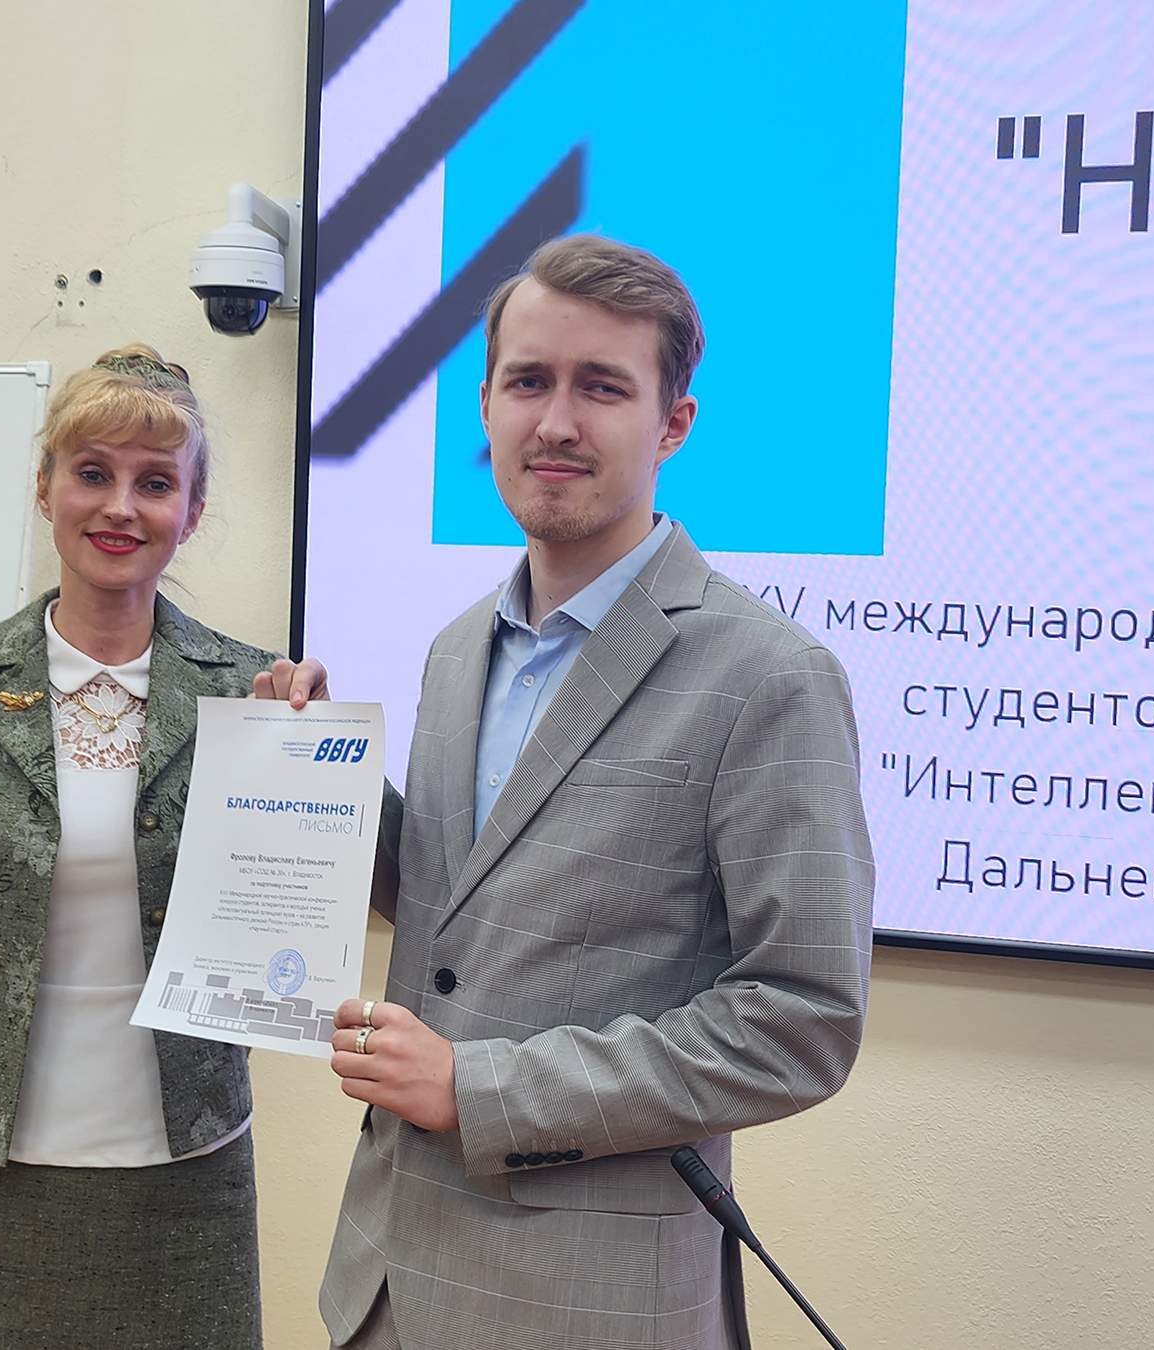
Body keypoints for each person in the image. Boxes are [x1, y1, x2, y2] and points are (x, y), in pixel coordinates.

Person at [318, 235, 876, 1350]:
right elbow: (458, 904)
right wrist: (310, 771)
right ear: (486, 405)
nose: (557, 423)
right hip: (388, 1279)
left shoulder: (770, 675)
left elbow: (802, 1021)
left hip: (592, 1305)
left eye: (603, 388)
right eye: (529, 381)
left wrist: (482, 1090)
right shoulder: (455, 647)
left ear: (673, 423)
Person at [0, 344, 327, 1350]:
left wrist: (315, 753)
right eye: (93, 472)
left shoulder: (252, 690)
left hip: (187, 1155)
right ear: (46, 489)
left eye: (156, 483)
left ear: (191, 512)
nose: (121, 507)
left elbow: (288, 909)